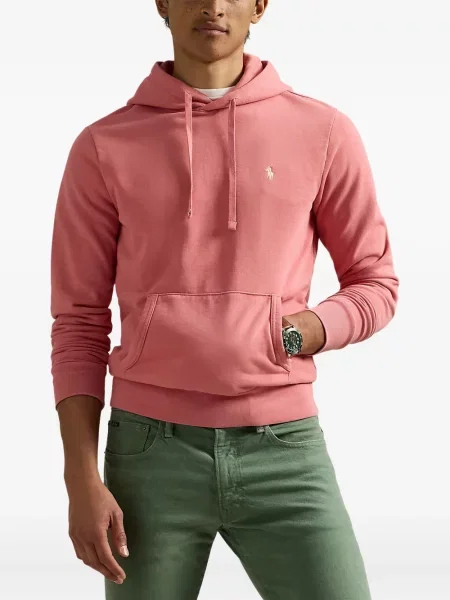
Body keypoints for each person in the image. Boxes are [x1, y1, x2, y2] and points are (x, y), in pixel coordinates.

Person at [50, 1, 399, 598]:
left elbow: (376, 282)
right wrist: (78, 478)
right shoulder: (104, 146)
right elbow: (78, 321)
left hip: (284, 448)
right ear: (162, 2)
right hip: (149, 455)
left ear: (259, 4)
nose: (212, 4)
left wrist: (295, 333)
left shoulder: (322, 132)